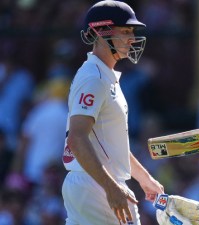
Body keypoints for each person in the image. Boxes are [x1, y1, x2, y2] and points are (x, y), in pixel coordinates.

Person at [61, 1, 164, 225]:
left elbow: (112, 145)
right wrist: (111, 188)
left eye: (132, 32)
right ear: (101, 32)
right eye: (125, 31)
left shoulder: (105, 76)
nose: (132, 39)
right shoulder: (94, 78)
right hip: (96, 184)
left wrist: (144, 179)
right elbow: (77, 138)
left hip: (95, 182)